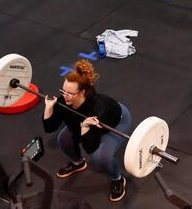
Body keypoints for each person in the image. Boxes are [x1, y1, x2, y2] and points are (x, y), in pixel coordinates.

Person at [43, 59, 132, 203]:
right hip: (86, 123)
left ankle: (117, 178)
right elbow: (49, 127)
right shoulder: (64, 100)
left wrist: (84, 127)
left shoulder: (98, 110)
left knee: (101, 157)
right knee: (63, 139)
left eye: (70, 93)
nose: (65, 96)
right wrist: (49, 108)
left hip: (115, 121)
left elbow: (91, 147)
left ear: (82, 92)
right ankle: (78, 163)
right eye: (63, 91)